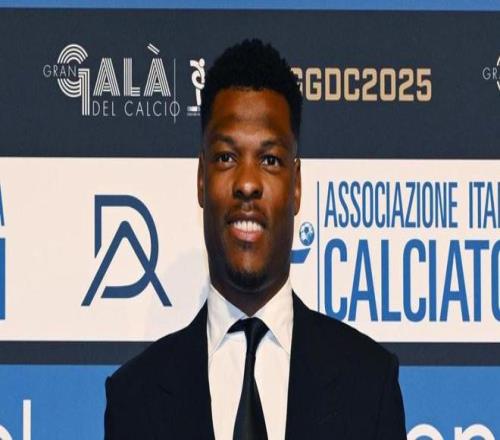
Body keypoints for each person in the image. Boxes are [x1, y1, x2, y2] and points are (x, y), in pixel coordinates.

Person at [104, 39, 406, 440]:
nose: (247, 183)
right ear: (201, 179)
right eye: (226, 157)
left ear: (296, 186)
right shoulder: (134, 396)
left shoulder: (369, 382)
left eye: (270, 160)